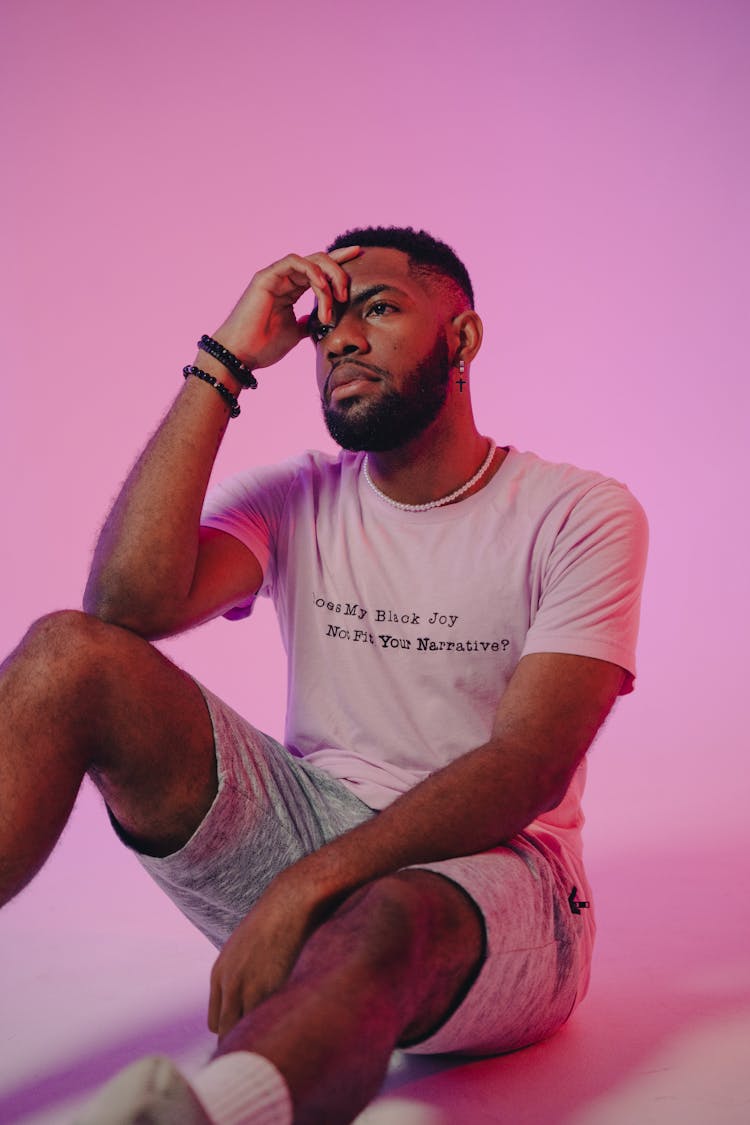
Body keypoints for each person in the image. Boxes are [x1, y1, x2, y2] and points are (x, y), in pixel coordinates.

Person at [0, 227, 648, 1125]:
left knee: (385, 911)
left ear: (461, 339)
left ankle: (202, 1115)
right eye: (327, 323)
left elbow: (529, 765)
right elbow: (122, 604)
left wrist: (306, 887)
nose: (339, 338)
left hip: (503, 877)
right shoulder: (300, 495)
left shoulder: (579, 513)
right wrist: (224, 360)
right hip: (312, 826)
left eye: (378, 309)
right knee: (66, 655)